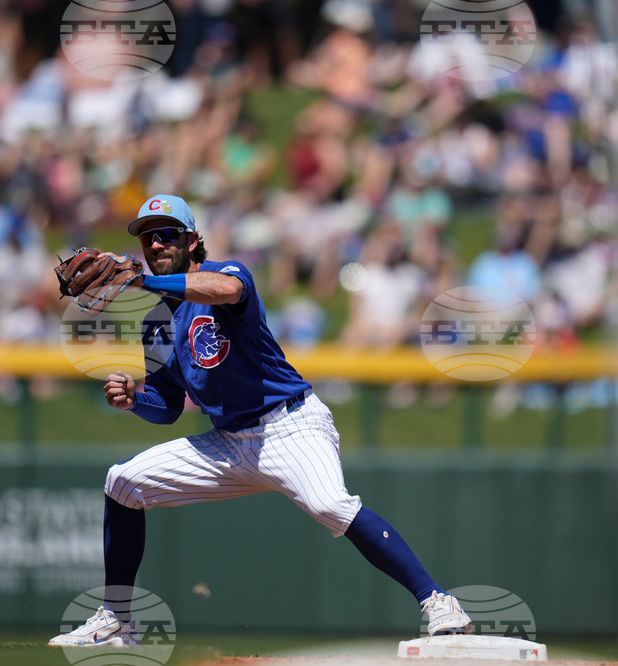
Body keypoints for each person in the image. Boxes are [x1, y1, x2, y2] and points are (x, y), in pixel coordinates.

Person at [48, 195, 472, 647]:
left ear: (193, 241)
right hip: (228, 443)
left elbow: (228, 293)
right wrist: (135, 399)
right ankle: (116, 619)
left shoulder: (228, 273)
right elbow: (169, 407)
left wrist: (148, 284)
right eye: (149, 236)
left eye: (168, 233)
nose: (156, 244)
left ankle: (438, 601)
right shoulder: (155, 319)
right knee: (123, 484)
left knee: (331, 506)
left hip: (288, 426)